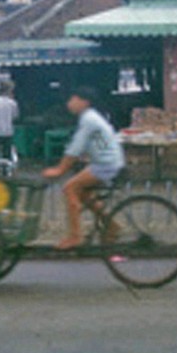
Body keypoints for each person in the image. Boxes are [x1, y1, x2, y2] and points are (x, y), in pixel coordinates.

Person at [42, 85, 125, 251]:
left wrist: (60, 170)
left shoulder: (89, 119)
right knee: (85, 195)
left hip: (105, 164)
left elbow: (75, 148)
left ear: (84, 102)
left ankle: (75, 236)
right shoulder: (90, 117)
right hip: (108, 161)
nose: (69, 103)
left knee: (69, 188)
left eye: (73, 99)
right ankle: (113, 226)